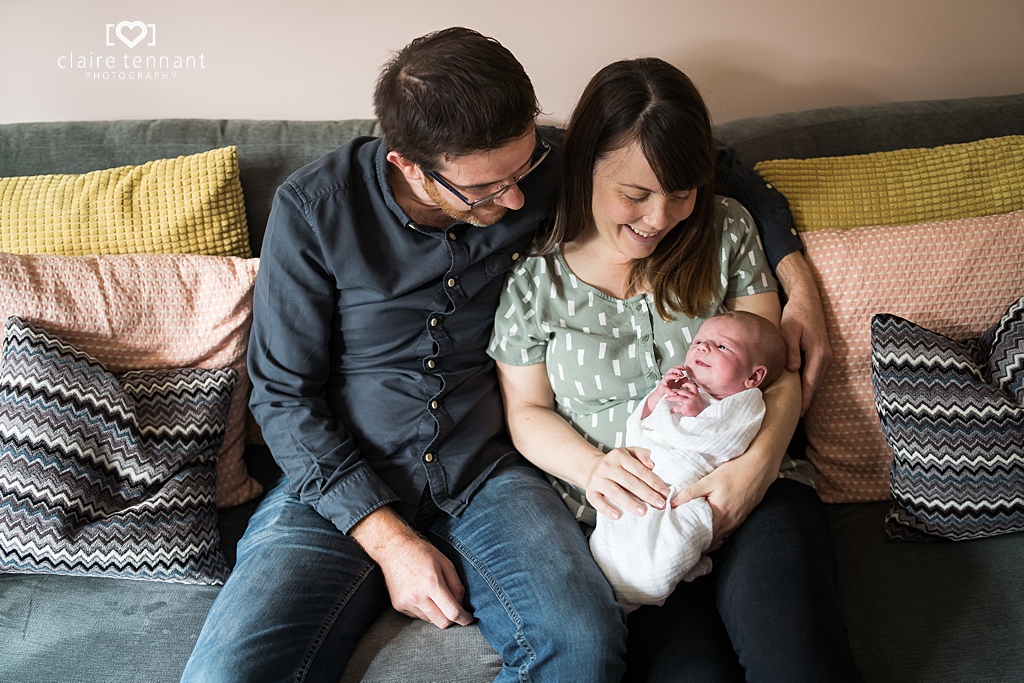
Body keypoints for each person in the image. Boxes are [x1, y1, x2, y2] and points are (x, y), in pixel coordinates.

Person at [182, 26, 836, 683]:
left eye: (524, 170)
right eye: (489, 189)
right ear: (408, 164)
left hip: (485, 477)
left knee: (581, 649)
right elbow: (283, 398)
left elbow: (707, 167)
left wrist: (798, 283)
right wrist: (388, 539)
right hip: (341, 482)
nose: (519, 198)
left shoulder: (553, 167)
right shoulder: (315, 210)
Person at [489, 58, 862, 681]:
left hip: (758, 490)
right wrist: (596, 469)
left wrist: (754, 470)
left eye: (681, 193)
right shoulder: (534, 278)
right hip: (629, 522)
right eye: (635, 194)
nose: (660, 218)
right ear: (585, 166)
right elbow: (526, 413)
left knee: (798, 657)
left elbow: (778, 372)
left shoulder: (727, 231)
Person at [589, 311, 787, 611]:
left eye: (722, 346)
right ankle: (615, 575)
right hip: (646, 474)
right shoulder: (683, 386)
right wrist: (657, 397)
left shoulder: (746, 403)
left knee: (677, 536)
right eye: (699, 341)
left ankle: (654, 578)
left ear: (753, 377)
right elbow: (640, 428)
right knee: (617, 524)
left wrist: (698, 415)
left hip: (685, 486)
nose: (703, 348)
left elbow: (728, 442)